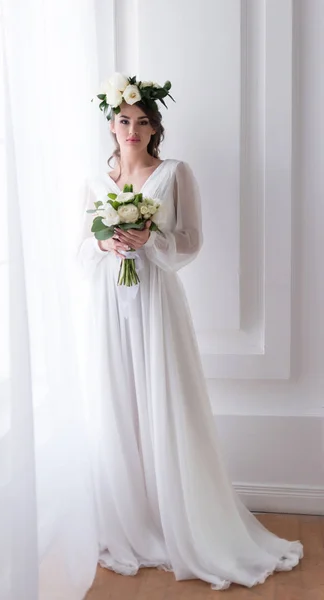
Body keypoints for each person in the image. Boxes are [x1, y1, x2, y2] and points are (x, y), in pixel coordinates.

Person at [76, 73, 303, 591]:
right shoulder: (94, 181)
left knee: (164, 400)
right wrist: (107, 246)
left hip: (156, 298)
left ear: (156, 128)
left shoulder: (175, 173)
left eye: (142, 122)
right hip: (109, 304)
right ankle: (131, 519)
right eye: (124, 121)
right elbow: (79, 247)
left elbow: (192, 241)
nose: (132, 129)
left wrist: (149, 237)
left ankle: (183, 521)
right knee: (117, 402)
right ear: (111, 126)